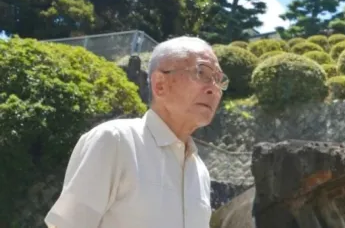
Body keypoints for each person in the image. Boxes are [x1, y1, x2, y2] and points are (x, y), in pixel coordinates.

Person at [44, 36, 227, 228]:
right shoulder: (115, 141)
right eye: (202, 73)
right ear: (160, 85)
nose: (214, 89)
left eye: (218, 80)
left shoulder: (200, 171)